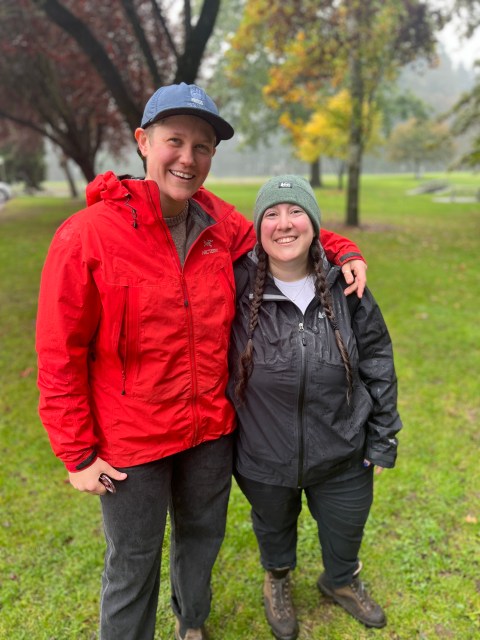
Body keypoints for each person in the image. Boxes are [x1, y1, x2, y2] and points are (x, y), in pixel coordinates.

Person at [35, 85, 368, 640]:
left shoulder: (219, 224)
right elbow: (58, 353)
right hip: (131, 442)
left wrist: (344, 248)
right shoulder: (86, 237)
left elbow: (282, 236)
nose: (187, 158)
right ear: (143, 143)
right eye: (175, 142)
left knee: (200, 540)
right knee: (132, 563)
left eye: (203, 146)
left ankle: (193, 625)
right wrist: (76, 452)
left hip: (209, 430)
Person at [228, 175, 402, 640]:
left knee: (346, 530)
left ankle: (340, 580)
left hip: (343, 451)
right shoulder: (235, 285)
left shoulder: (345, 286)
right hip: (263, 456)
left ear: (315, 224)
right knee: (273, 529)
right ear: (257, 227)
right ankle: (278, 579)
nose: (284, 224)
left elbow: (378, 360)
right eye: (272, 214)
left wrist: (382, 436)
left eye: (296, 211)